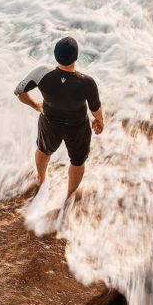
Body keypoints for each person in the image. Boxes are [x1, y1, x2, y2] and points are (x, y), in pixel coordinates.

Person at [14, 37, 104, 200]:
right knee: (77, 161)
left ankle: (41, 179)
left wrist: (35, 105)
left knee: (43, 149)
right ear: (76, 57)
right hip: (77, 127)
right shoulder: (87, 82)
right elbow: (95, 109)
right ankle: (70, 194)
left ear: (55, 55)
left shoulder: (41, 72)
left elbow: (19, 91)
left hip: (49, 123)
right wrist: (100, 121)